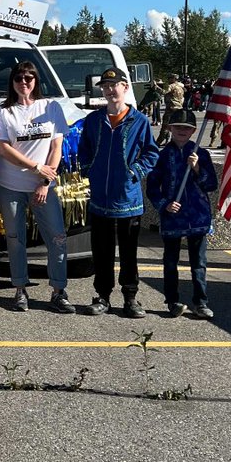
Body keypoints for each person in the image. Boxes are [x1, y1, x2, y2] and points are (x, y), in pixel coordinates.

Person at [0, 63, 75, 314]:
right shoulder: (3, 111)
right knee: (16, 239)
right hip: (11, 184)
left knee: (57, 237)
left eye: (29, 77)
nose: (24, 82)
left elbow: (56, 147)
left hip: (43, 186)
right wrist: (36, 167)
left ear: (36, 80)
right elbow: (4, 149)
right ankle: (20, 289)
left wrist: (45, 180)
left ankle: (59, 290)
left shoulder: (50, 107)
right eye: (18, 77)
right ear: (12, 82)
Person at [78, 67, 159, 318]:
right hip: (100, 198)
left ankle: (131, 296)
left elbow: (152, 153)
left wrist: (134, 171)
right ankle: (102, 295)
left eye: (115, 85)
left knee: (128, 251)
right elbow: (84, 150)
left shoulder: (140, 120)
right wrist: (90, 169)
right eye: (106, 86)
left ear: (125, 88)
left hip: (128, 198)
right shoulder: (93, 120)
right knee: (101, 251)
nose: (111, 90)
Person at [145, 109, 217, 319]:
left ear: (193, 130)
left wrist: (196, 169)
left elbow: (211, 184)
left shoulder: (201, 154)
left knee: (198, 263)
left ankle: (201, 302)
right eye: (177, 127)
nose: (182, 131)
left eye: (186, 128)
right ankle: (172, 300)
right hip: (173, 217)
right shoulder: (162, 155)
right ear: (169, 129)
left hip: (197, 216)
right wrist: (164, 204)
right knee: (170, 261)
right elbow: (152, 188)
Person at [157, 73, 185, 146]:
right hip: (179, 108)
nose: (168, 79)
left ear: (173, 79)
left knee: (165, 126)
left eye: (169, 78)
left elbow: (164, 92)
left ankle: (158, 142)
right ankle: (172, 141)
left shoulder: (172, 86)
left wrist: (156, 87)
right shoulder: (180, 87)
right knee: (176, 126)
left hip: (171, 108)